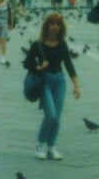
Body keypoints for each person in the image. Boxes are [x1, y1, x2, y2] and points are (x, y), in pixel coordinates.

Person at [23, 12, 80, 160]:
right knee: (51, 114)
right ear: (47, 25)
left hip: (59, 81)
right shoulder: (38, 44)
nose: (55, 27)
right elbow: (27, 63)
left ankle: (51, 146)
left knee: (57, 118)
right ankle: (39, 144)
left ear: (61, 27)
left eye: (58, 24)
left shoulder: (62, 44)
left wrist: (76, 85)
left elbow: (68, 64)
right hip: (44, 81)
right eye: (52, 24)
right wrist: (39, 68)